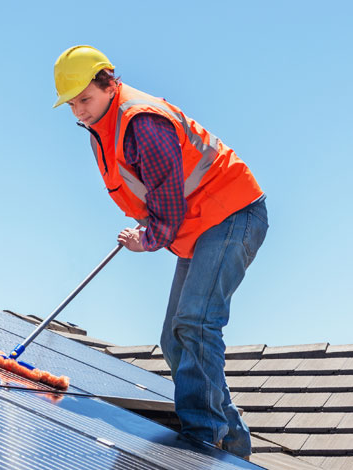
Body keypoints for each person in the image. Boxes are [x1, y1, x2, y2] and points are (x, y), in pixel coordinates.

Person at [52, 45, 269, 459]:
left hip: (231, 213)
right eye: (73, 103)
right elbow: (158, 192)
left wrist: (147, 238)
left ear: (109, 84)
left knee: (196, 323)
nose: (79, 110)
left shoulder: (141, 123)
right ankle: (233, 444)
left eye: (86, 98)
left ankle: (203, 442)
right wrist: (148, 223)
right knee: (174, 338)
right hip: (203, 223)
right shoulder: (106, 123)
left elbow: (169, 209)